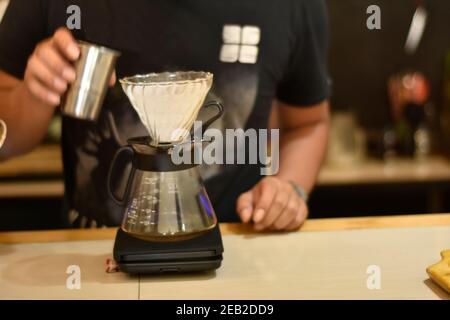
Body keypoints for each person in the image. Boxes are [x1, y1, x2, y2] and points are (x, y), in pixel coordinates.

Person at [0, 0, 330, 231]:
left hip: (234, 248)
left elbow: (308, 124)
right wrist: (36, 92)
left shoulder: (291, 5)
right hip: (88, 255)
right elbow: (7, 142)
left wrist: (289, 188)